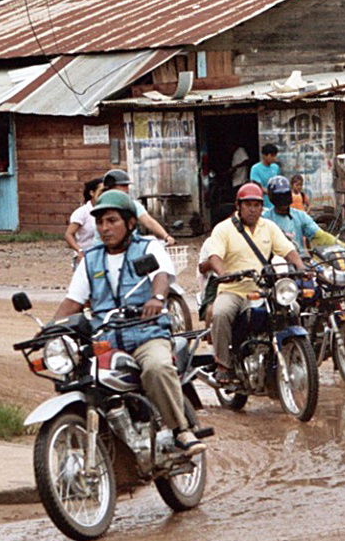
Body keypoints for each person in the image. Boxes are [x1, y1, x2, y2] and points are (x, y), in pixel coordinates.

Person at [51, 190, 204, 456]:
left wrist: (157, 297)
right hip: (107, 340)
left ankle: (181, 430)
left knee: (156, 367)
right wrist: (49, 330)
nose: (104, 228)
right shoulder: (91, 259)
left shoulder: (147, 247)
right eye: (100, 223)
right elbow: (72, 302)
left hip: (147, 334)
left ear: (130, 223)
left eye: (112, 221)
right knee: (78, 376)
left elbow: (161, 275)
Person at [204, 182, 306, 383]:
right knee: (220, 313)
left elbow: (287, 250)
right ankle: (223, 364)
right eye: (248, 204)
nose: (252, 209)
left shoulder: (269, 227)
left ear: (262, 207)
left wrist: (301, 267)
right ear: (238, 206)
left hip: (263, 289)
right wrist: (224, 273)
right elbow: (214, 256)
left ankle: (295, 354)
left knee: (293, 307)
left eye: (257, 205)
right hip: (232, 289)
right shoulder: (223, 229)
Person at [100, 169, 175, 246]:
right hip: (104, 246)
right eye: (122, 186)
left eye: (127, 186)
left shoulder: (131, 204)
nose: (126, 189)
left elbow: (148, 221)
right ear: (110, 188)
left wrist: (166, 236)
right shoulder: (100, 206)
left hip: (128, 245)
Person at [263, 175, 320, 257]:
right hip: (277, 263)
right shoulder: (266, 219)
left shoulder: (300, 216)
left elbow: (318, 234)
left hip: (300, 262)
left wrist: (338, 244)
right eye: (280, 197)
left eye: (285, 195)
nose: (283, 200)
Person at [64, 177, 105, 258]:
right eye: (101, 191)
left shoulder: (108, 210)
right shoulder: (82, 212)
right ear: (92, 193)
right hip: (86, 256)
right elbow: (68, 234)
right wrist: (79, 251)